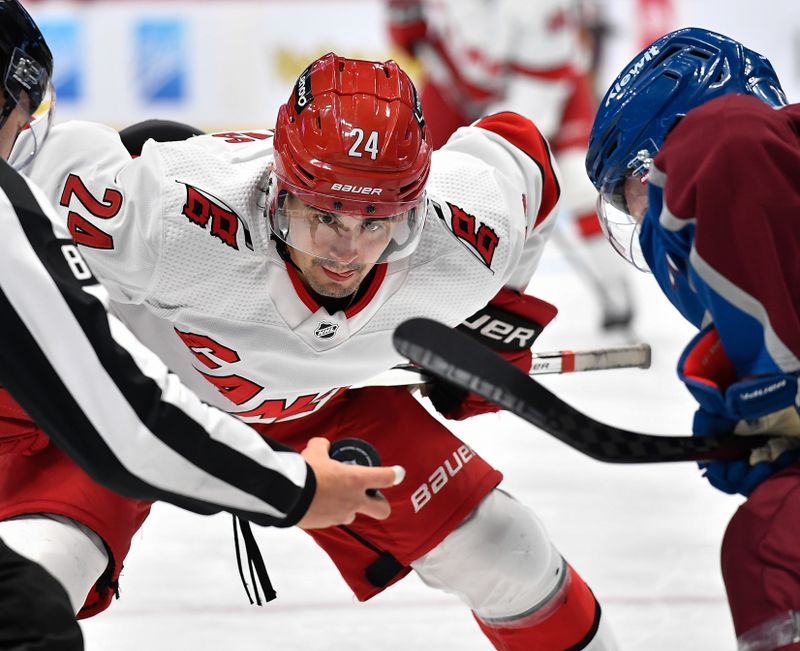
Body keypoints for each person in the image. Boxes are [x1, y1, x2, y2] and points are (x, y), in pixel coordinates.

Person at [19, 50, 619, 649]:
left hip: (317, 409)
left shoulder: (466, 230)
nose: (347, 253)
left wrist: (491, 326)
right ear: (279, 194)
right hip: (134, 404)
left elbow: (527, 156)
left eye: (379, 222)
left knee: (508, 552)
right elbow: (24, 169)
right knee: (37, 577)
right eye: (323, 218)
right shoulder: (164, 213)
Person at [0, 2, 402, 646]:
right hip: (80, 433)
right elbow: (123, 424)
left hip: (55, 445)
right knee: (23, 616)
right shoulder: (19, 207)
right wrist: (296, 489)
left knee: (26, 599)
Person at [585, 27, 800, 650]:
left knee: (774, 543)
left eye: (640, 199)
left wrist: (773, 389)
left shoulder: (727, 144)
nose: (651, 231)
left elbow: (727, 135)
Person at [385, 0, 635, 330]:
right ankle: (394, 296)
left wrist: (488, 142)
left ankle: (616, 291)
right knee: (408, 178)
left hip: (546, 95)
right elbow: (406, 15)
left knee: (572, 184)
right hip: (453, 84)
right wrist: (408, 31)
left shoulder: (546, 12)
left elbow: (525, 124)